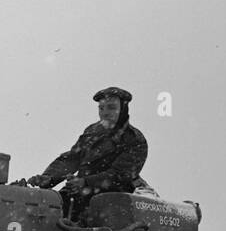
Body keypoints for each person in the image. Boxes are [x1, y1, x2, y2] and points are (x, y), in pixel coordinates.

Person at [27, 87, 149, 222]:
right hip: (79, 193)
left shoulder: (134, 139)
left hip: (112, 202)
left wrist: (86, 182)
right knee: (46, 209)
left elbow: (120, 175)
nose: (105, 113)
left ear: (123, 110)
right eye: (101, 108)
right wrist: (49, 178)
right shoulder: (92, 132)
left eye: (111, 107)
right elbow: (72, 159)